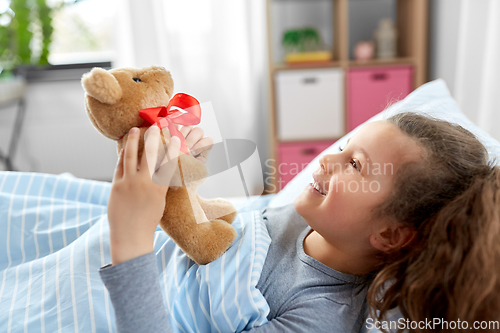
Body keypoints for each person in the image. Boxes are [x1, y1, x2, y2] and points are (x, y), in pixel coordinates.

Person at [99, 113, 500, 333]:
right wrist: (183, 182)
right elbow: (219, 235)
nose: (327, 159)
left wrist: (130, 236)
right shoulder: (307, 216)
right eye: (344, 147)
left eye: (355, 165)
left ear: (391, 234)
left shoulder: (322, 315)